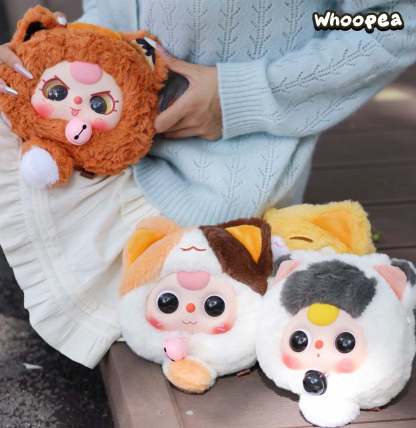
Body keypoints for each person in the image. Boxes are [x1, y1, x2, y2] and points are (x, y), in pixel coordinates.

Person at [0, 0, 415, 367]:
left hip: (211, 193)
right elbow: (113, 13)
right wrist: (56, 52)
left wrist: (240, 94)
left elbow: (397, 22)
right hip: (106, 150)